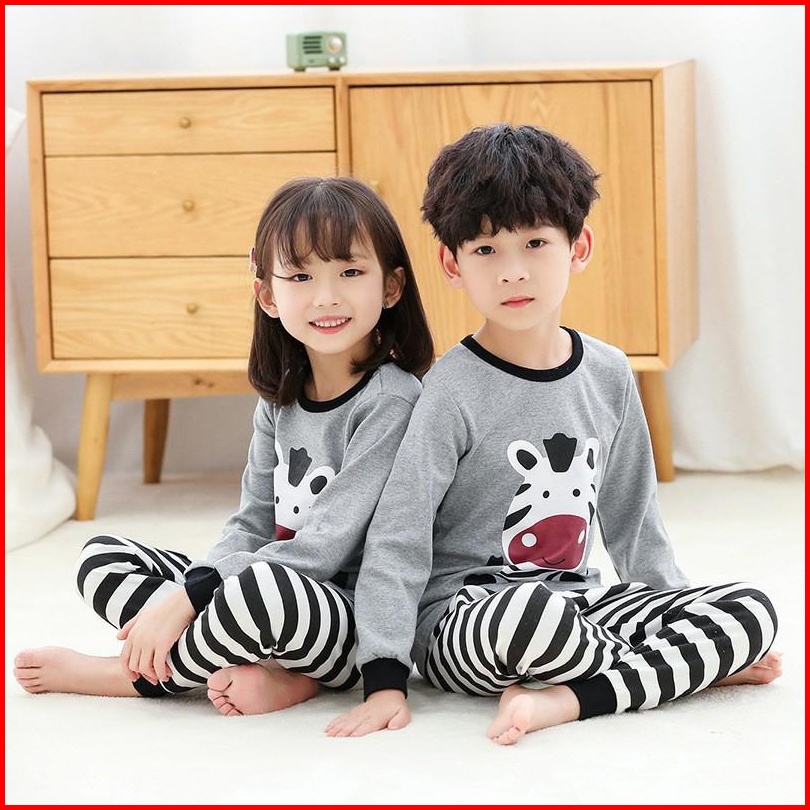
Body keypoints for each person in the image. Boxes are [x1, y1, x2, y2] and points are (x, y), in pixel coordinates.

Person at [325, 124, 782, 743]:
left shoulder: (609, 374)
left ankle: (567, 698)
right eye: (486, 250)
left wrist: (680, 612)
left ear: (578, 247)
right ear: (452, 264)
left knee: (750, 610)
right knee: (531, 618)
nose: (513, 273)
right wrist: (383, 677)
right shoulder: (448, 390)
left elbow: (634, 521)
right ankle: (668, 671)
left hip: (580, 607)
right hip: (467, 618)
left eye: (536, 243)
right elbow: (398, 538)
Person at [14, 176, 435, 717]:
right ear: (268, 295)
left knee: (258, 590)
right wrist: (187, 593)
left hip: (349, 620)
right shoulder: (280, 400)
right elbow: (250, 524)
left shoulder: (393, 400)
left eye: (350, 273)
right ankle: (274, 673)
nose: (327, 296)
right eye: (301, 276)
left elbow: (324, 546)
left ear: (391, 286)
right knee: (103, 556)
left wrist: (191, 599)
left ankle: (131, 677)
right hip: (259, 595)